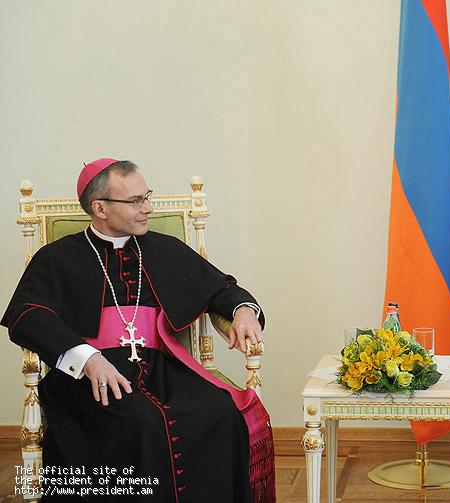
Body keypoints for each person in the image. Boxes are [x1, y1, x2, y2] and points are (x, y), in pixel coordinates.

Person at [3, 158, 275, 502]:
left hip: (161, 368)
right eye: (135, 201)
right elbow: (26, 315)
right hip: (88, 377)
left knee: (219, 411)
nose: (148, 208)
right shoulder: (57, 258)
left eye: (147, 196)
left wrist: (243, 310)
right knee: (140, 422)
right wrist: (86, 358)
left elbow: (220, 287)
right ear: (100, 208)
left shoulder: (164, 249)